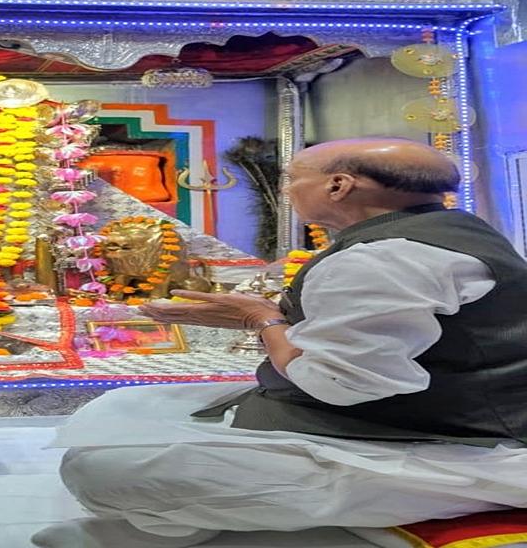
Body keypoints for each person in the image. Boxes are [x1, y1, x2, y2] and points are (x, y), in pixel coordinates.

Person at [31, 137, 527, 548]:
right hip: (428, 412)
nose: (287, 188)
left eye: (293, 177)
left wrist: (261, 319)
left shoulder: (378, 260)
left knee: (107, 470)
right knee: (129, 406)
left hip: (443, 441)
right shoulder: (453, 233)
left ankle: (465, 499)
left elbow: (339, 384)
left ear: (338, 185)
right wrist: (262, 318)